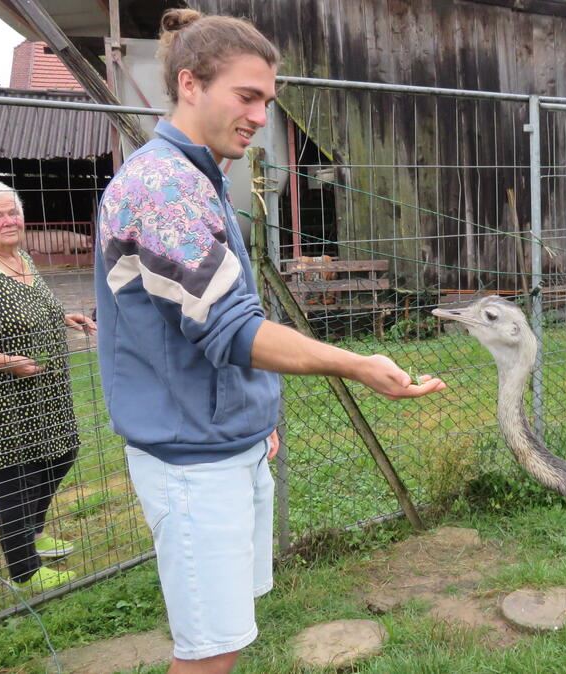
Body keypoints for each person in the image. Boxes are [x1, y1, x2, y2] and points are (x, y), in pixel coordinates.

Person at [94, 9, 445, 673]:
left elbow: (214, 312)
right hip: (193, 463)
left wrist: (256, 417)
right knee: (207, 655)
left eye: (268, 101)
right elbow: (230, 328)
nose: (261, 116)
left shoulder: (200, 175)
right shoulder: (163, 188)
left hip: (227, 442)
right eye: (247, 96)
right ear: (190, 84)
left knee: (226, 638)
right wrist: (357, 363)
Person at [0, 180, 96, 593]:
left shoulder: (21, 257)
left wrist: (65, 317)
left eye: (13, 211)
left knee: (61, 455)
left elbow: (29, 304)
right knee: (13, 479)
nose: (9, 221)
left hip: (45, 394)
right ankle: (25, 571)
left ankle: (32, 530)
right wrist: (7, 362)